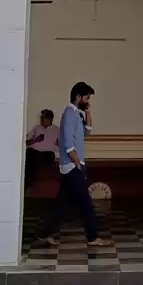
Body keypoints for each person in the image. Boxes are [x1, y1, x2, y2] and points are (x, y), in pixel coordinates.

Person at [38, 82, 109, 247]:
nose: (88, 100)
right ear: (78, 96)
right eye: (87, 98)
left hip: (70, 165)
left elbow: (87, 131)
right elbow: (68, 143)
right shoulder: (69, 113)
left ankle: (44, 233)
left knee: (62, 204)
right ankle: (92, 237)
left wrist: (88, 112)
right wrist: (78, 164)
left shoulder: (76, 114)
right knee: (85, 203)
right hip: (72, 166)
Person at [24, 109, 58, 189]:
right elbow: (26, 143)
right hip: (34, 152)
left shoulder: (57, 129)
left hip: (47, 153)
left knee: (47, 156)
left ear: (51, 119)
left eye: (45, 118)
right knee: (29, 153)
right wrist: (36, 140)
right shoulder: (36, 128)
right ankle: (28, 182)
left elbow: (61, 143)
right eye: (42, 118)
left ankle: (29, 182)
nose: (43, 120)